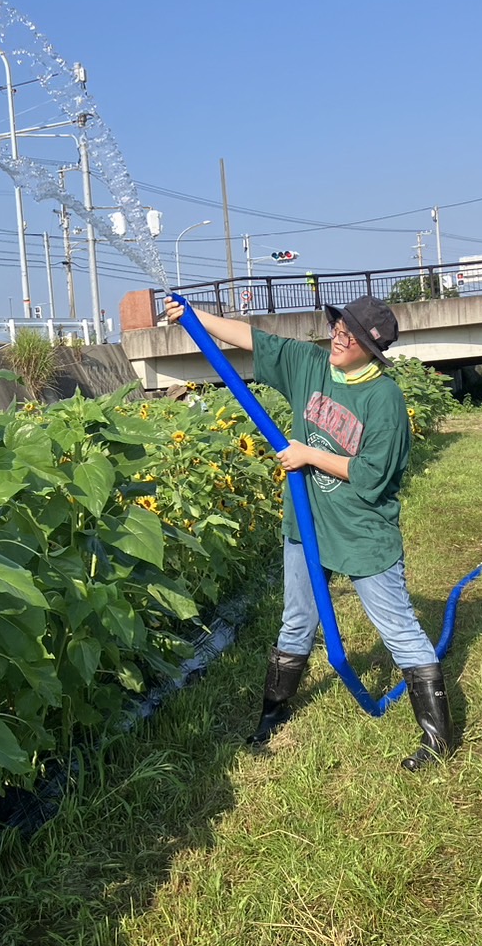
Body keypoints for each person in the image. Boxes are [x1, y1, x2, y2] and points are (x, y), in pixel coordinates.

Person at [165, 293, 455, 770]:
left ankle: (437, 741)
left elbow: (373, 475)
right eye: (338, 329)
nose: (338, 340)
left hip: (362, 532)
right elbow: (252, 340)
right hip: (306, 523)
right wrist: (194, 317)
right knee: (297, 620)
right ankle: (272, 716)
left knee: (399, 631)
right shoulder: (310, 364)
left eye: (351, 337)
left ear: (371, 348)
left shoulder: (385, 398)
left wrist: (310, 455)